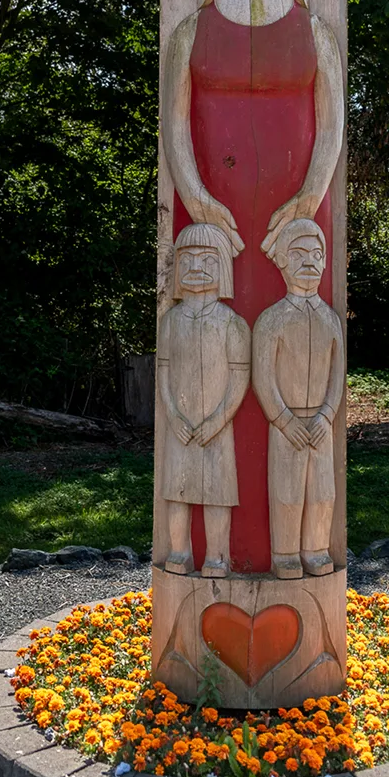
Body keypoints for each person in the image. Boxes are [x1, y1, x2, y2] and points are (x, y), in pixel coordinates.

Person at [160, 0, 344, 573]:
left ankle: (296, 553)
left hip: (294, 212)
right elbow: (176, 124)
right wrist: (197, 198)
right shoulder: (191, 33)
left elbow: (329, 124)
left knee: (292, 335)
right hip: (212, 214)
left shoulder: (316, 32)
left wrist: (311, 194)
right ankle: (205, 556)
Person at [251, 219, 344, 579]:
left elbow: (337, 374)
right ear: (282, 263)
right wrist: (282, 419)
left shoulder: (331, 320)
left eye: (317, 254)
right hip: (286, 422)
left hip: (321, 421)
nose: (309, 262)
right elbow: (263, 377)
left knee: (323, 493)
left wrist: (327, 415)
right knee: (287, 493)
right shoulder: (272, 319)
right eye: (299, 254)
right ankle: (286, 553)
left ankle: (316, 548)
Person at [157, 223, 250, 577]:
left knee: (216, 493)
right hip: (180, 421)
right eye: (188, 259)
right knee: (177, 490)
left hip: (216, 423)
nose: (196, 268)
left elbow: (239, 378)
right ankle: (179, 552)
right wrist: (173, 414)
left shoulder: (232, 323)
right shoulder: (170, 321)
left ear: (223, 266)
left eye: (207, 260)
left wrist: (219, 419)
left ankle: (216, 556)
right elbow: (163, 373)